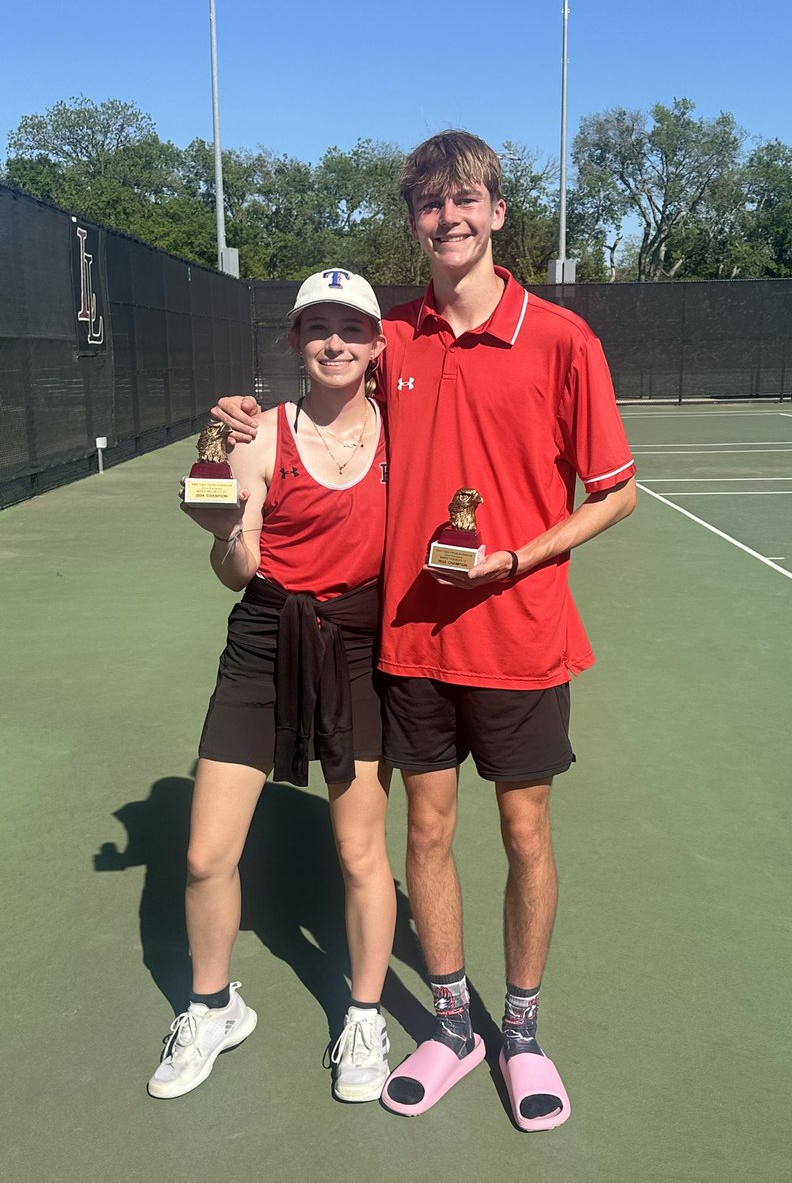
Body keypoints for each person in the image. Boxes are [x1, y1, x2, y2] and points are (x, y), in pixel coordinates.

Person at [215, 130, 636, 1131]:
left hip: (522, 634)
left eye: (464, 201)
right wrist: (238, 419)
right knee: (429, 832)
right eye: (428, 206)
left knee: (526, 831)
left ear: (496, 211)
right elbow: (320, 397)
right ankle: (454, 1025)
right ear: (415, 224)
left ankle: (522, 1032)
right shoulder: (392, 336)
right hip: (409, 639)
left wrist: (521, 557)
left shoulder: (563, 338)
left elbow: (617, 493)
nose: (447, 219)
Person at [149, 269, 395, 1103]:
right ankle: (213, 1006)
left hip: (359, 650)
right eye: (317, 326)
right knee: (203, 854)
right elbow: (233, 569)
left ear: (376, 343)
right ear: (295, 342)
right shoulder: (258, 436)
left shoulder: (406, 438)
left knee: (362, 854)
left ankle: (364, 1013)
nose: (334, 341)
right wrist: (228, 538)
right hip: (263, 640)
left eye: (351, 328)